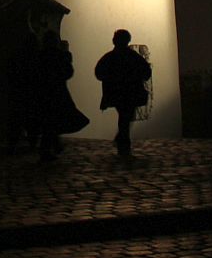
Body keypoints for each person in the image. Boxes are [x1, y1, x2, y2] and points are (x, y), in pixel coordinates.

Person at [94, 29, 151, 156]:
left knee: (124, 115)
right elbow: (146, 72)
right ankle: (123, 140)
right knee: (126, 115)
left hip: (116, 92)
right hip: (130, 92)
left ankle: (122, 139)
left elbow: (99, 73)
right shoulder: (134, 57)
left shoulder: (110, 57)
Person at [33, 31, 88, 161]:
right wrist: (67, 56)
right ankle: (47, 149)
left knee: (49, 120)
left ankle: (52, 146)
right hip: (57, 92)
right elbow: (68, 72)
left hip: (43, 92)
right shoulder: (58, 55)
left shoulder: (39, 55)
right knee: (53, 120)